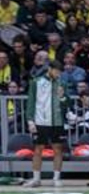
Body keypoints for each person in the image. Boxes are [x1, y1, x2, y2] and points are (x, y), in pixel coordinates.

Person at [23, 58, 66, 186]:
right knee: (38, 149)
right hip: (40, 120)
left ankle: (56, 178)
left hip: (57, 121)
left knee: (58, 149)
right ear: (50, 69)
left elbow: (67, 102)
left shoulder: (61, 83)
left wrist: (63, 97)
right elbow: (31, 101)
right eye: (57, 72)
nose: (58, 74)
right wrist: (30, 120)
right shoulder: (36, 82)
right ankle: (36, 178)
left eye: (60, 72)